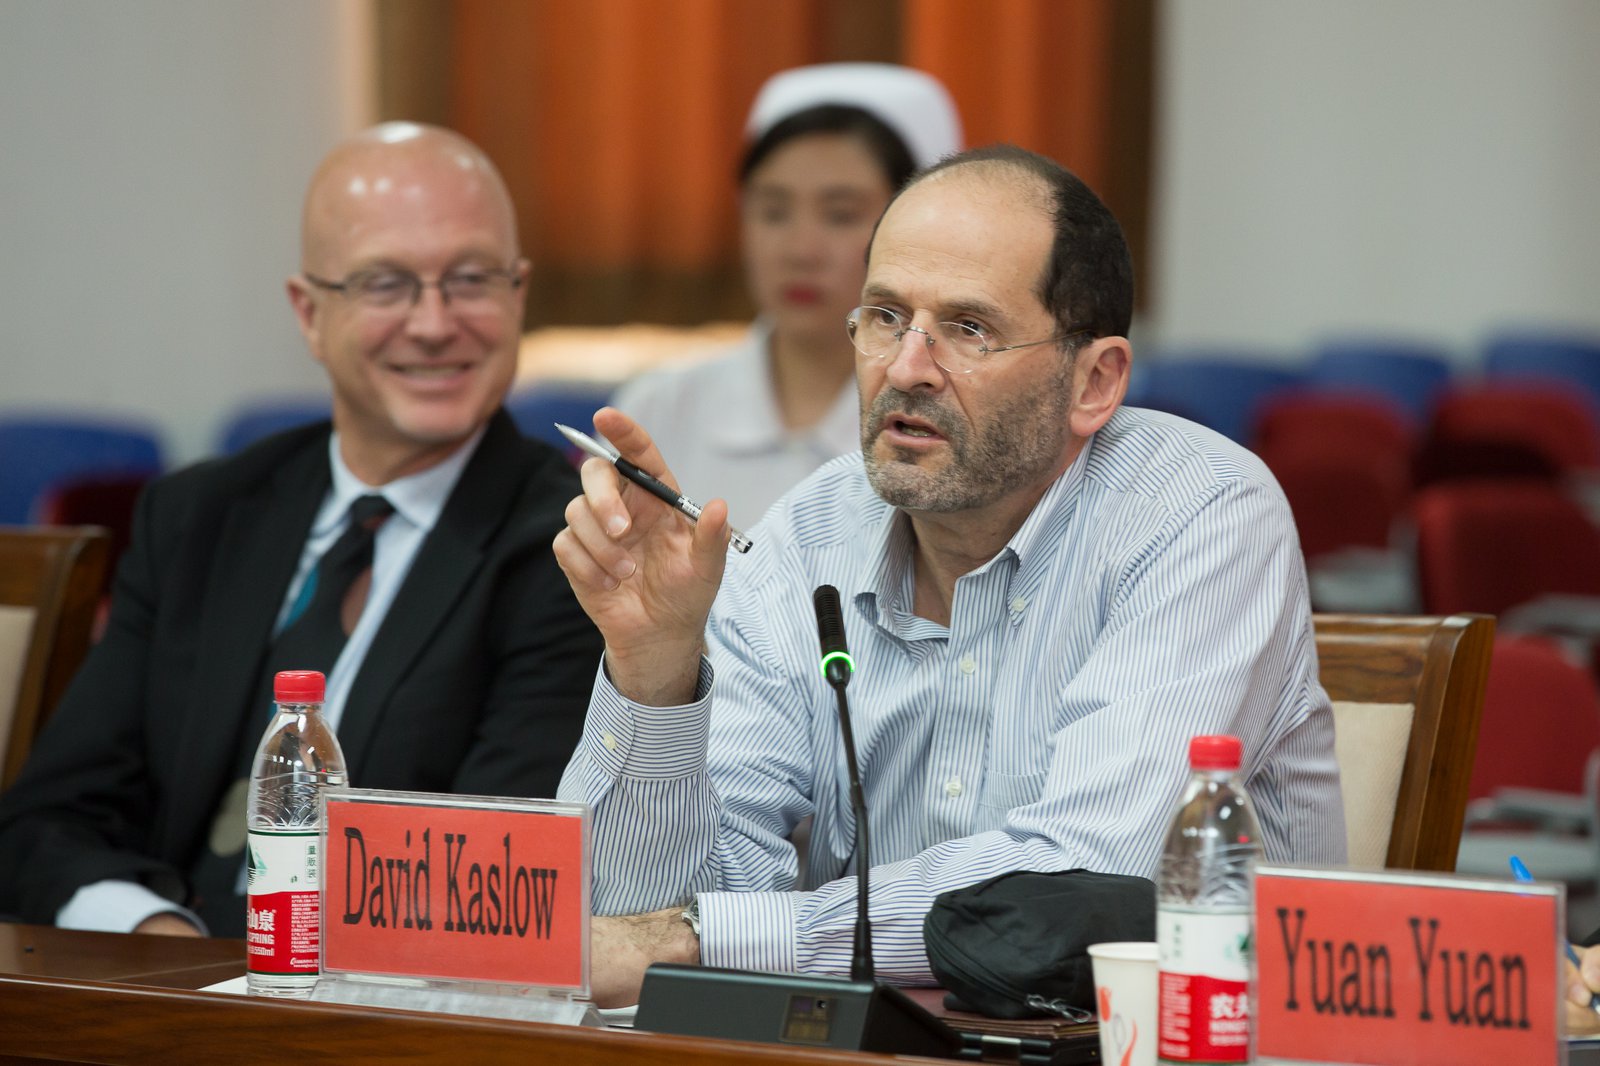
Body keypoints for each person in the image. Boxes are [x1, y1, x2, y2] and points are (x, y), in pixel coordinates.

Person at [554, 144, 1346, 1007]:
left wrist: (705, 938)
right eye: (886, 317)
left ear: (1095, 380)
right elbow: (624, 928)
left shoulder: (1198, 512)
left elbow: (1073, 887)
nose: (904, 368)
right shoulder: (807, 534)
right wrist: (657, 675)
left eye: (968, 329)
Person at [0, 123, 602, 938]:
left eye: (470, 279)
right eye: (385, 284)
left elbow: (492, 878)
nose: (433, 324)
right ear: (309, 313)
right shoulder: (200, 516)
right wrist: (156, 941)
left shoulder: (570, 549)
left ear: (519, 293)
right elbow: (49, 821)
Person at [610, 64, 961, 523]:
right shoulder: (658, 412)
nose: (801, 251)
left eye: (840, 215)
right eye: (773, 212)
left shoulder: (950, 419)